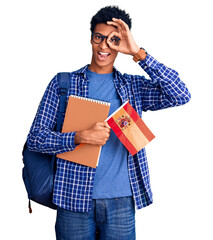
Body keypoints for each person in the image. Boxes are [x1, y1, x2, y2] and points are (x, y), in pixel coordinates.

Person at [27, 5, 191, 240]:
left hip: (122, 201)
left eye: (113, 40)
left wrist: (138, 53)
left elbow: (180, 94)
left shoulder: (133, 87)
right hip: (73, 198)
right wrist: (78, 137)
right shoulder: (64, 83)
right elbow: (35, 138)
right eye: (99, 38)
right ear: (91, 38)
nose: (104, 46)